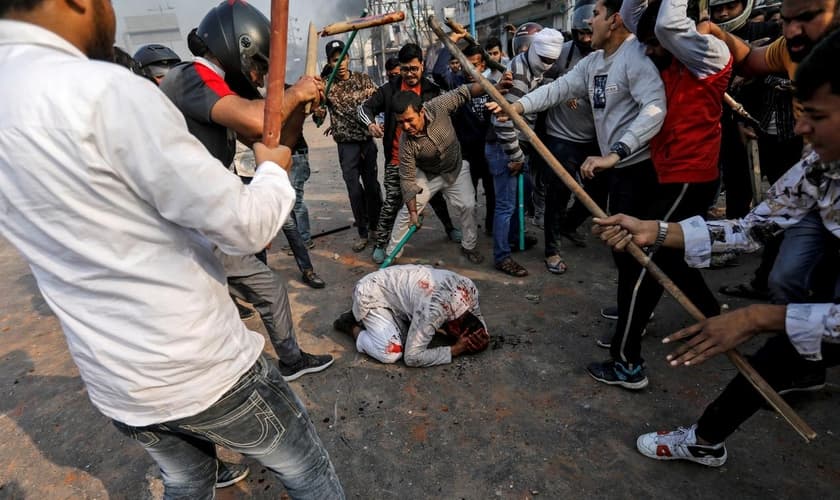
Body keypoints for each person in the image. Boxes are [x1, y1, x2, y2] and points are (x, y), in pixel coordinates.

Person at [0, 0, 344, 497]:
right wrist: (273, 169)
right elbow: (249, 227)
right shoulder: (104, 92)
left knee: (187, 479)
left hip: (116, 381)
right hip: (196, 368)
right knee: (306, 469)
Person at [592, 28, 840, 466]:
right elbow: (751, 229)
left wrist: (761, 317)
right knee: (782, 345)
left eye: (815, 116)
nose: (799, 127)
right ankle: (706, 438)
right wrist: (655, 230)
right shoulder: (819, 168)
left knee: (783, 332)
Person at [490, 0, 667, 387]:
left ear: (616, 19)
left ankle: (628, 360)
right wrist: (516, 105)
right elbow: (557, 89)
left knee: (632, 253)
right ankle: (632, 315)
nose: (590, 22)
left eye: (598, 15)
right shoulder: (593, 61)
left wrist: (616, 152)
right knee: (623, 255)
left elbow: (655, 108)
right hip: (614, 167)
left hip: (635, 169)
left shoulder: (635, 57)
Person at [160, 1, 334, 380]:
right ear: (238, 45)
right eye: (256, 64)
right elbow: (258, 120)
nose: (257, 76)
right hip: (187, 220)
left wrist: (300, 108)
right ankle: (285, 362)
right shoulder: (192, 75)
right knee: (265, 290)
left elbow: (269, 139)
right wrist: (295, 93)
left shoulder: (213, 89)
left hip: (200, 212)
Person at [358, 43, 462, 264]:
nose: (409, 73)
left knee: (435, 198)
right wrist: (371, 125)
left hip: (428, 158)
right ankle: (381, 244)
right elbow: (363, 108)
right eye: (405, 69)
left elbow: (452, 108)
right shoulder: (388, 90)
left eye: (414, 68)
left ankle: (450, 228)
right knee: (392, 201)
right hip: (397, 158)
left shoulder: (432, 90)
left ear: (422, 66)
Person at [488, 27, 563, 276]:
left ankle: (513, 237)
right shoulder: (518, 74)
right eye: (544, 60)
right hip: (504, 146)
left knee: (520, 195)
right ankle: (502, 256)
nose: (546, 66)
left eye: (552, 62)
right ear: (532, 51)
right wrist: (516, 156)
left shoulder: (531, 67)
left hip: (516, 143)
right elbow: (502, 120)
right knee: (506, 205)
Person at [387, 83, 490, 264]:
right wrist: (413, 212)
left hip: (455, 168)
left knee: (468, 206)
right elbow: (408, 180)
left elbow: (463, 92)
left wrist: (490, 86)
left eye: (409, 120)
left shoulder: (437, 106)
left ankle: (469, 246)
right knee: (406, 214)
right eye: (401, 122)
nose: (406, 126)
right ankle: (392, 254)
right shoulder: (406, 143)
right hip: (427, 174)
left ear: (421, 112)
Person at [332, 265, 490, 366]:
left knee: (410, 332)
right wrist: (455, 350)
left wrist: (484, 335)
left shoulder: (469, 289)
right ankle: (351, 325)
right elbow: (412, 357)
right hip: (370, 294)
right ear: (455, 326)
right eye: (457, 335)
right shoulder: (434, 311)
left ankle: (381, 320)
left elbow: (477, 314)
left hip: (394, 288)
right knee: (391, 353)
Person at [314, 39, 383, 253]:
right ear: (329, 62)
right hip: (347, 147)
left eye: (343, 57)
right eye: (336, 60)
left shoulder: (363, 80)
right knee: (354, 190)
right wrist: (318, 112)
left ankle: (377, 228)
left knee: (372, 187)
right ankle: (363, 232)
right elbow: (318, 118)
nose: (341, 63)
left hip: (366, 143)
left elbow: (379, 102)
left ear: (349, 57)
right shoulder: (326, 85)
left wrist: (378, 122)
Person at [232, 141, 325, 288]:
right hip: (240, 173)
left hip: (265, 172)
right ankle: (263, 276)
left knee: (289, 224)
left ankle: (307, 270)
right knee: (256, 226)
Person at [431, 42, 496, 240]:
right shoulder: (456, 83)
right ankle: (471, 230)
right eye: (466, 64)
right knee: (469, 196)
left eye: (474, 65)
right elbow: (438, 72)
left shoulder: (493, 84)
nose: (470, 70)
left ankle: (492, 227)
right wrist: (451, 40)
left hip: (489, 149)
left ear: (483, 66)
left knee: (492, 192)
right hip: (465, 151)